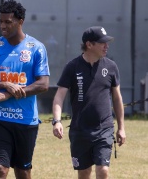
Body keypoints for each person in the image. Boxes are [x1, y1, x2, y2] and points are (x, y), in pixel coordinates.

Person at [0, 0, 50, 179]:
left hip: (26, 121)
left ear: (20, 22)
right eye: (1, 21)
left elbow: (43, 84)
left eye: (8, 22)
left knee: (23, 172)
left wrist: (7, 94)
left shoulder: (36, 48)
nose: (3, 26)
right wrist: (3, 84)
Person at [52, 26, 126, 179]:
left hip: (104, 129)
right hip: (80, 130)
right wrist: (57, 121)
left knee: (103, 170)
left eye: (107, 42)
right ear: (89, 44)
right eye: (102, 43)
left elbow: (117, 98)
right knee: (84, 173)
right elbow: (59, 96)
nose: (107, 46)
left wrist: (121, 128)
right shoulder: (72, 67)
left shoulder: (111, 67)